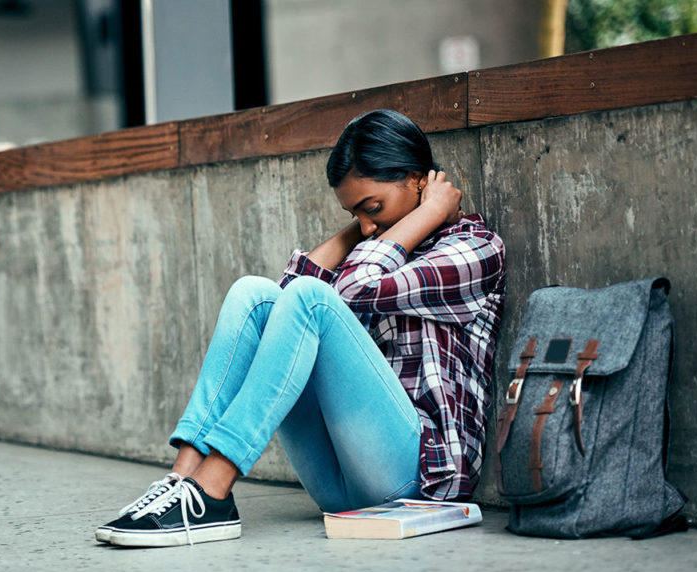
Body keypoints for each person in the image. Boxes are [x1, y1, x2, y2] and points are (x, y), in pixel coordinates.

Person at [95, 109, 506, 547]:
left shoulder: (473, 249)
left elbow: (349, 287)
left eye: (373, 208)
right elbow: (279, 305)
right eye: (355, 214)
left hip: (418, 484)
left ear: (417, 180)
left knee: (313, 298)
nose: (367, 226)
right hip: (340, 486)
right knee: (252, 295)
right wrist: (365, 225)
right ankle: (183, 480)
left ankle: (213, 490)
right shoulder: (376, 245)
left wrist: (427, 215)